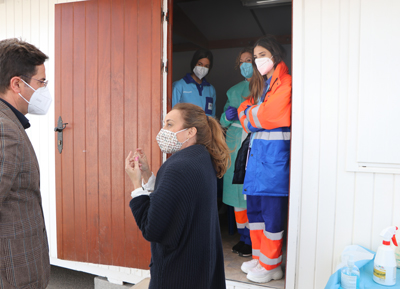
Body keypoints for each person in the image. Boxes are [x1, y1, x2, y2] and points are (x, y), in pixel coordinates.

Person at [125, 103, 229, 289]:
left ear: (190, 132)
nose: (163, 131)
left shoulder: (176, 166)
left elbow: (152, 228)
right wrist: (148, 175)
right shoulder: (202, 158)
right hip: (199, 269)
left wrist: (136, 185)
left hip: (178, 273)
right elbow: (173, 199)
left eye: (169, 124)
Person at [237, 35, 292, 283]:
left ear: (275, 55)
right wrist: (248, 113)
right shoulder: (264, 86)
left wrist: (248, 114)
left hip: (274, 162)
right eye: (255, 56)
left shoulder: (286, 83)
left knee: (272, 215)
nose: (258, 60)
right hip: (257, 161)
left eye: (262, 55)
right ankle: (261, 259)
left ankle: (272, 265)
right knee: (256, 212)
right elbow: (245, 110)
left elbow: (269, 116)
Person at [0, 38, 52, 288]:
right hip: (13, 273)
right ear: (17, 84)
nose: (45, 89)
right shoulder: (4, 130)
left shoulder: (9, 122)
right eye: (41, 82)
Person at [220, 47, 253, 257]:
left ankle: (252, 239)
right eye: (242, 61)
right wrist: (228, 115)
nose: (245, 65)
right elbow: (222, 120)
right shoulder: (233, 91)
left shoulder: (265, 88)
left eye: (249, 60)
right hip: (233, 143)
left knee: (251, 194)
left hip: (251, 142)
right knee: (236, 196)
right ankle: (243, 237)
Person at [172, 49, 216, 116]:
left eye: (206, 66)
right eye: (200, 64)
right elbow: (174, 113)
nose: (202, 68)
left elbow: (212, 116)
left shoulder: (211, 89)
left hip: (206, 126)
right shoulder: (179, 86)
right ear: (194, 63)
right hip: (186, 126)